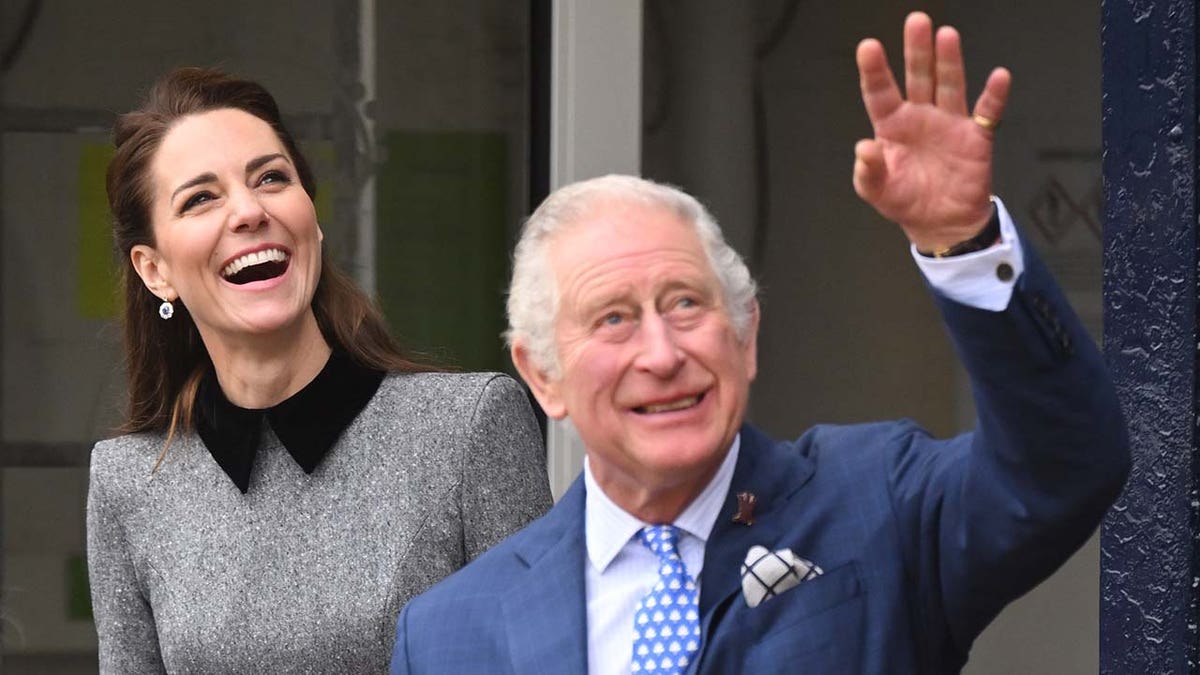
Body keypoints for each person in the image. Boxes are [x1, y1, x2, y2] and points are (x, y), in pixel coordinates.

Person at [389, 12, 1130, 674]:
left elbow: (1063, 467)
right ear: (541, 374)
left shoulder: (878, 504)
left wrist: (962, 245)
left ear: (745, 336)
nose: (661, 352)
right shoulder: (452, 632)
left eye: (685, 303)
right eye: (613, 318)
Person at [86, 67, 552, 673]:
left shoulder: (468, 430)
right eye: (201, 198)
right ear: (154, 271)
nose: (249, 211)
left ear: (312, 215)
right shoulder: (128, 483)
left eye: (271, 178)